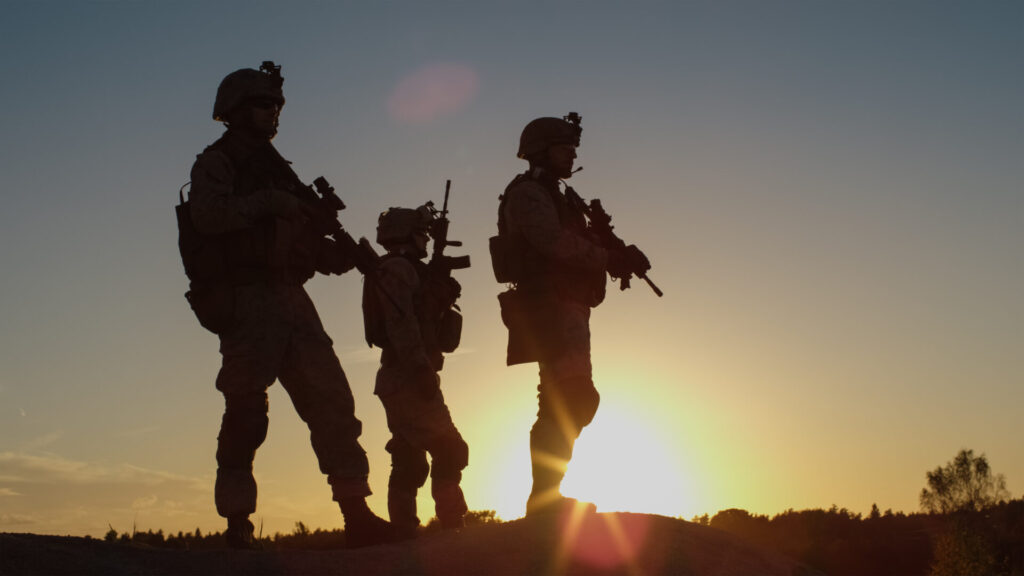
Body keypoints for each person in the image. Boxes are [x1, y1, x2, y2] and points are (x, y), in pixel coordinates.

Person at [183, 61, 392, 548]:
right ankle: (237, 522)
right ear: (235, 111)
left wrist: (337, 256)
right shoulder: (217, 162)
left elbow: (302, 239)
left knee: (333, 402)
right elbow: (208, 216)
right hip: (247, 299)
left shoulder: (277, 166)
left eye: (275, 105)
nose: (272, 112)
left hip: (291, 298)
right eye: (262, 104)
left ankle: (356, 512)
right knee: (246, 411)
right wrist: (270, 203)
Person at [491, 114, 650, 517]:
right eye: (565, 148)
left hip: (569, 305)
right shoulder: (528, 193)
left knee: (565, 400)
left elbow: (576, 238)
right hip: (550, 305)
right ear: (542, 150)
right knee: (572, 398)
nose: (573, 155)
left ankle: (546, 497)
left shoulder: (559, 195)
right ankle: (544, 500)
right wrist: (607, 257)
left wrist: (618, 251)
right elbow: (550, 242)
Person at [362, 206, 469, 540]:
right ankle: (451, 525)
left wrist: (437, 292)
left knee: (409, 456)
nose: (426, 238)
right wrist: (421, 368)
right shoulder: (396, 268)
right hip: (407, 373)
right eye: (422, 232)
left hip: (402, 374)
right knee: (450, 448)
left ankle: (404, 528)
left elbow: (421, 319)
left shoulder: (407, 269)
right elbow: (401, 324)